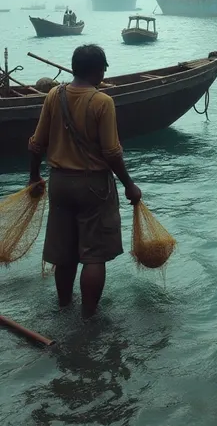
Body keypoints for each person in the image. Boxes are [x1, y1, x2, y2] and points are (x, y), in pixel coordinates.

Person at [28, 44, 142, 319]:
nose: (103, 73)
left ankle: (64, 305)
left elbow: (36, 144)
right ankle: (89, 318)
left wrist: (34, 176)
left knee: (65, 252)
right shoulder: (102, 102)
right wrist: (129, 184)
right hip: (93, 186)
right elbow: (112, 153)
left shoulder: (54, 95)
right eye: (103, 68)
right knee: (93, 255)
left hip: (59, 184)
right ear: (95, 70)